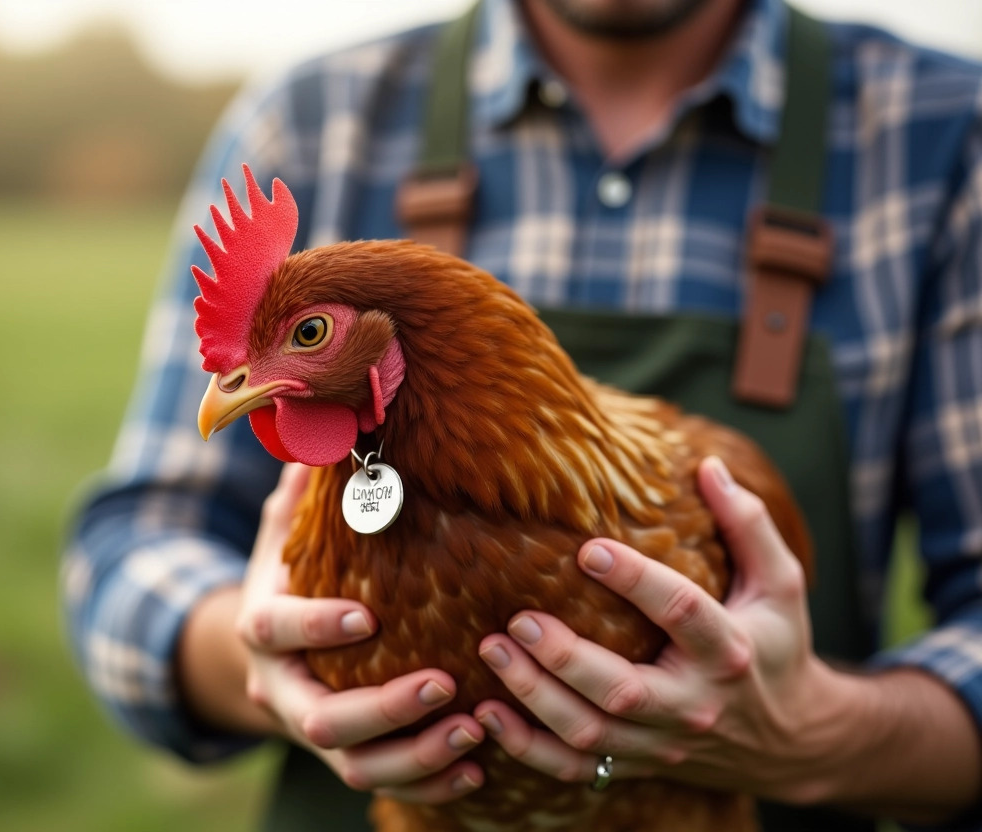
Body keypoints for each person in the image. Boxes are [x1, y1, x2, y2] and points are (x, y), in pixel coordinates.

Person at [62, 0, 982, 828]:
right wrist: (256, 660)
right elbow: (135, 540)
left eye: (303, 334)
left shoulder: (943, 132)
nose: (234, 384)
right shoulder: (315, 115)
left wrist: (817, 732)